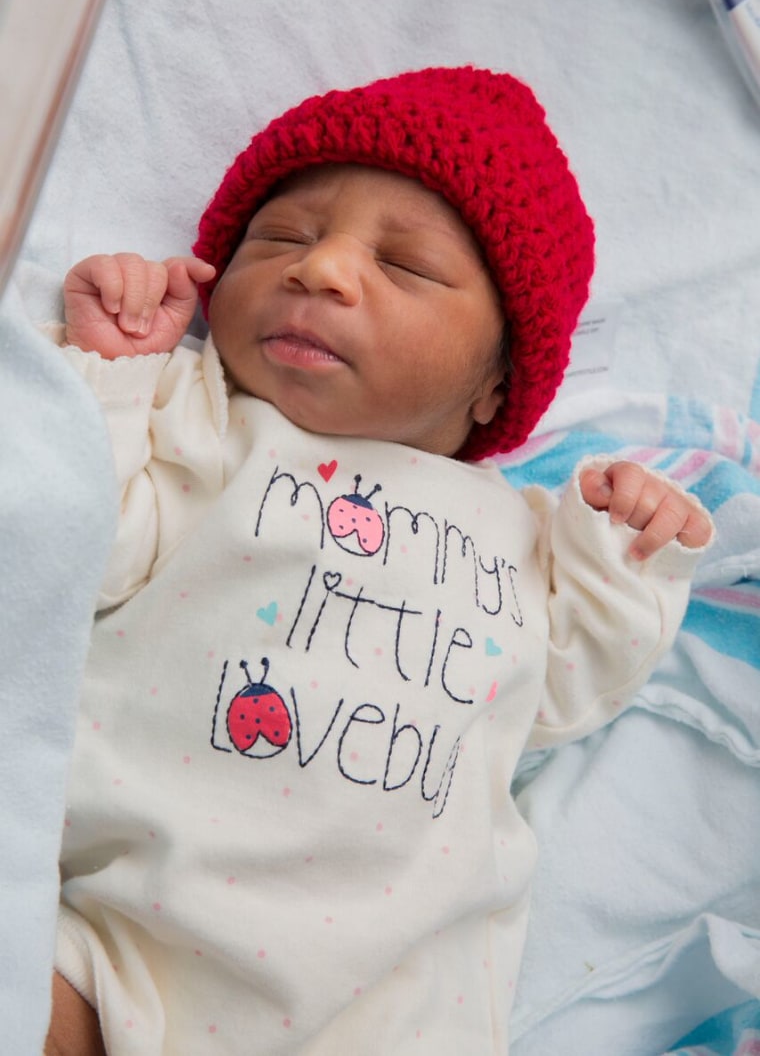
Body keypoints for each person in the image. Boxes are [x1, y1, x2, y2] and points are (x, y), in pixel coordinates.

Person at [45, 66, 713, 1056]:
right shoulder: (200, 419)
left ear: (496, 381)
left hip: (388, 1010)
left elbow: (563, 694)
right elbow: (71, 548)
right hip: (119, 935)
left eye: (405, 267)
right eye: (283, 239)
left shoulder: (521, 531)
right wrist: (109, 370)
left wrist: (631, 556)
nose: (323, 271)